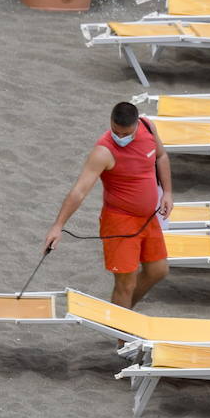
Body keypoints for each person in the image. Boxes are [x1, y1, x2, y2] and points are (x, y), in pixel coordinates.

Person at [43, 101, 173, 311]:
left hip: (149, 218)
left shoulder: (148, 127)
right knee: (125, 284)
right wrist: (58, 225)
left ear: (137, 125)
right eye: (115, 132)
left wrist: (167, 192)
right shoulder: (103, 152)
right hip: (119, 221)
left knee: (158, 270)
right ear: (110, 123)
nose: (120, 138)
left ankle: (122, 314)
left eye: (126, 134)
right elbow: (79, 191)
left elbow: (161, 156)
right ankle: (121, 340)